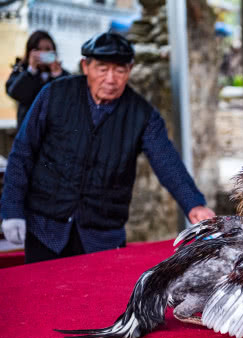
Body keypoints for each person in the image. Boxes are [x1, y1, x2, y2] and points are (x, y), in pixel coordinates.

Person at [0, 32, 215, 263]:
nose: (111, 79)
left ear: (129, 70)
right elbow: (23, 153)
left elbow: (166, 160)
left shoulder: (142, 114)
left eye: (119, 70)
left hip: (101, 237)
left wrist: (194, 204)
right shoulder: (54, 94)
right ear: (86, 67)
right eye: (102, 69)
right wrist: (11, 210)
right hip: (45, 229)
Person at [6, 30, 70, 130]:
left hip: (54, 133)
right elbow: (14, 92)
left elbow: (70, 98)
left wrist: (57, 74)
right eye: (38, 50)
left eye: (48, 49)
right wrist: (31, 71)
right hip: (27, 132)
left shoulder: (63, 74)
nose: (43, 53)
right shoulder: (21, 70)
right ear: (30, 52)